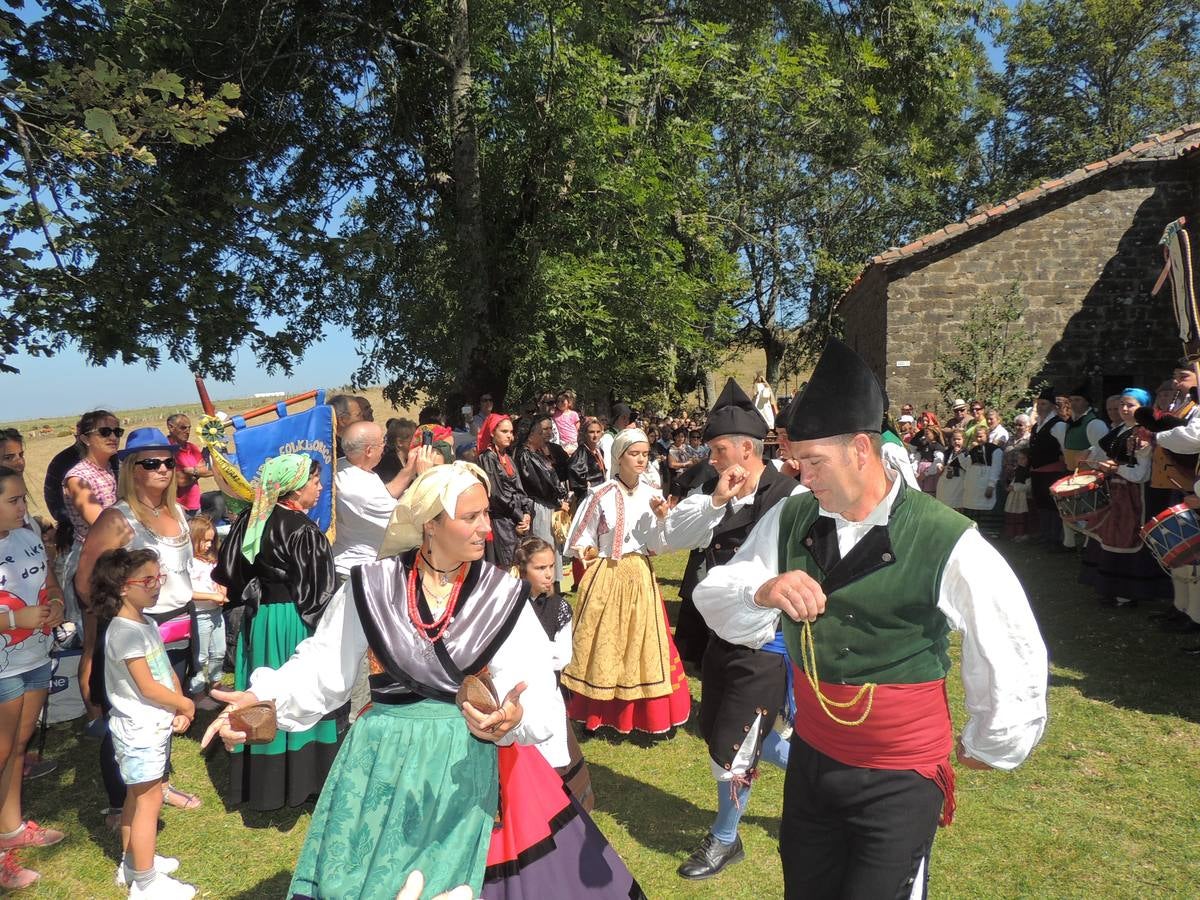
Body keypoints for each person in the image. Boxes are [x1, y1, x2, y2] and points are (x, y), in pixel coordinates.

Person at [693, 338, 1048, 899]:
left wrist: (993, 738)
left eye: (814, 462)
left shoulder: (944, 536)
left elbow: (1008, 641)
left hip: (900, 775)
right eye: (796, 461)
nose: (802, 476)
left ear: (861, 449)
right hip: (812, 759)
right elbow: (716, 593)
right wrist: (765, 589)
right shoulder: (794, 513)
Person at [202, 463, 643, 898]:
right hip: (380, 760)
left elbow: (531, 687)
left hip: (463, 760)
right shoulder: (372, 585)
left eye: (485, 515)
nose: (486, 529)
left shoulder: (500, 594)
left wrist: (513, 718)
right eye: (470, 517)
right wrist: (264, 697)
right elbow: (323, 667)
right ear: (430, 524)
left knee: (450, 879)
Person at [661, 380, 803, 879]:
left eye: (720, 450)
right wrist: (717, 501)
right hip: (720, 633)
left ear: (748, 447)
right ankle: (827, 772)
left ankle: (725, 837)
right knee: (723, 729)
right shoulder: (713, 491)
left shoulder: (793, 496)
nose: (714, 459)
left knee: (735, 742)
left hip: (768, 640)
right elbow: (667, 540)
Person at [75, 427, 203, 817]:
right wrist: (120, 621)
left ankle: (158, 782)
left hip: (180, 625)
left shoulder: (176, 510)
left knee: (163, 711)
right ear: (132, 468)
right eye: (151, 462)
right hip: (136, 631)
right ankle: (120, 803)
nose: (163, 469)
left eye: (168, 461)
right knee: (128, 716)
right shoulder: (118, 519)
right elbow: (85, 581)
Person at [213, 454, 340, 811]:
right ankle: (301, 781)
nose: (319, 486)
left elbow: (226, 574)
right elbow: (319, 594)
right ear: (296, 488)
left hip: (261, 619)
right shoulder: (301, 529)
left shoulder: (250, 520)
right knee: (295, 687)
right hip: (294, 620)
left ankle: (264, 785)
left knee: (261, 692)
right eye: (315, 480)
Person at [560, 429, 691, 735]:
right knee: (604, 644)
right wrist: (592, 555)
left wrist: (661, 519)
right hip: (607, 574)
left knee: (641, 644)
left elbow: (658, 547)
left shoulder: (651, 495)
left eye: (645, 454)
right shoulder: (600, 494)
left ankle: (642, 716)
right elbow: (579, 539)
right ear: (618, 457)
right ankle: (597, 713)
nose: (642, 459)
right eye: (635, 454)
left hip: (640, 575)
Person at [92, 548, 195, 899]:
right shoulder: (124, 632)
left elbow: (163, 671)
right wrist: (184, 702)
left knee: (137, 799)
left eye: (158, 578)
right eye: (147, 580)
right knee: (148, 803)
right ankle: (146, 883)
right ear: (122, 587)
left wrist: (178, 700)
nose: (156, 586)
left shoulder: (145, 622)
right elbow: (147, 686)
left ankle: (132, 863)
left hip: (150, 724)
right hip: (139, 729)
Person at [0, 467, 66, 891]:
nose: (25, 507)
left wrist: (57, 602)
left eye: (24, 499)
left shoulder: (27, 538)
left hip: (36, 656)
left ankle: (11, 828)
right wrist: (11, 618)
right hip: (3, 667)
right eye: (14, 501)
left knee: (17, 748)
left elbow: (49, 580)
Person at [515, 536, 594, 811]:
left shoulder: (558, 607)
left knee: (551, 760)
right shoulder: (509, 604)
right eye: (540, 568)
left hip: (546, 693)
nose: (548, 574)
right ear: (523, 569)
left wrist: (527, 652)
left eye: (551, 567)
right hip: (515, 694)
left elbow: (561, 656)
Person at [1079, 388, 1169, 608]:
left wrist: (1113, 469)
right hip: (1116, 493)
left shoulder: (1143, 433)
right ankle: (1111, 589)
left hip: (1133, 496)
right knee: (1109, 538)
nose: (1124, 409)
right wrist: (1089, 455)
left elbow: (1140, 474)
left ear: (1143, 408)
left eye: (1130, 405)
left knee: (1127, 538)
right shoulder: (1120, 429)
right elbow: (1101, 449)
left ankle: (1127, 593)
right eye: (1122, 405)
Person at [62, 410, 122, 725]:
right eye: (105, 431)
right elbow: (99, 519)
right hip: (91, 562)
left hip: (115, 559)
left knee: (115, 636)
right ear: (86, 438)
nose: (113, 436)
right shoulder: (77, 477)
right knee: (94, 640)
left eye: (117, 430)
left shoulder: (112, 468)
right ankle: (95, 714)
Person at [515, 414, 571, 587]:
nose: (544, 436)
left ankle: (551, 588)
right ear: (531, 434)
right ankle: (542, 588)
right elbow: (539, 484)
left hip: (548, 505)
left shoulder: (535, 454)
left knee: (551, 548)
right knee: (542, 547)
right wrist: (557, 501)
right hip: (539, 507)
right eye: (541, 432)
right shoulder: (525, 456)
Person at [475, 414, 532, 570]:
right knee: (507, 568)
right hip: (500, 522)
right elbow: (497, 494)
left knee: (519, 565)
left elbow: (519, 488)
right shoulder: (487, 458)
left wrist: (526, 512)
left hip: (514, 518)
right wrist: (520, 516)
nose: (510, 436)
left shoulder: (506, 456)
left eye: (511, 431)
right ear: (493, 432)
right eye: (504, 431)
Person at [1028, 388, 1069, 545]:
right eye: (1038, 404)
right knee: (1041, 503)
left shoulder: (1058, 425)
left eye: (1043, 404)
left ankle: (1055, 537)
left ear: (1052, 406)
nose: (1039, 407)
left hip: (1053, 472)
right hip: (1037, 472)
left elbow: (1065, 448)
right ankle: (1045, 534)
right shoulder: (1036, 426)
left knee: (1053, 505)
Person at [960, 423, 1003, 536]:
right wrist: (961, 453)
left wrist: (991, 485)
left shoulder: (995, 450)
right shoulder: (973, 450)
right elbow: (967, 466)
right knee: (972, 506)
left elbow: (996, 469)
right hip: (973, 484)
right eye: (976, 436)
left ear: (987, 436)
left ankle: (989, 531)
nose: (978, 439)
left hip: (986, 482)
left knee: (987, 505)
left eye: (981, 436)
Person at [165, 415, 211, 519]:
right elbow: (181, 480)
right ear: (171, 427)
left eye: (189, 427)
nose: (187, 431)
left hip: (195, 505)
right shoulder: (166, 450)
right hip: (177, 508)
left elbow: (208, 470)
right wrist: (198, 470)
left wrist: (192, 471)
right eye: (183, 427)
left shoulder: (191, 447)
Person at [375, 418, 416, 483]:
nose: (417, 442)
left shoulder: (410, 459)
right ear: (400, 442)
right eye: (414, 439)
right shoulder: (387, 464)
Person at [1004, 449, 1033, 541]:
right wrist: (1011, 486)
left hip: (1023, 497)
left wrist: (1015, 487)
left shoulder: (1029, 472)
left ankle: (1023, 533)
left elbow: (1029, 486)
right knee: (1014, 514)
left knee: (1022, 515)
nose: (1020, 460)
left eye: (1023, 458)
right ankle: (1014, 533)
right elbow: (1014, 480)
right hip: (1015, 496)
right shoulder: (1018, 470)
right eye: (1019, 458)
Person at [935, 429, 967, 512]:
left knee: (956, 505)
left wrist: (959, 455)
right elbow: (943, 463)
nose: (956, 441)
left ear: (964, 440)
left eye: (959, 439)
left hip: (959, 482)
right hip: (946, 482)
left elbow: (967, 467)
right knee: (945, 503)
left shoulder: (967, 452)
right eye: (954, 439)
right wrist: (940, 466)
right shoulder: (948, 452)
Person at [552, 391, 581, 455]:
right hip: (560, 442)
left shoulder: (573, 414)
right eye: (558, 401)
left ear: (569, 403)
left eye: (562, 401)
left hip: (572, 442)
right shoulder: (554, 413)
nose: (560, 403)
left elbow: (578, 428)